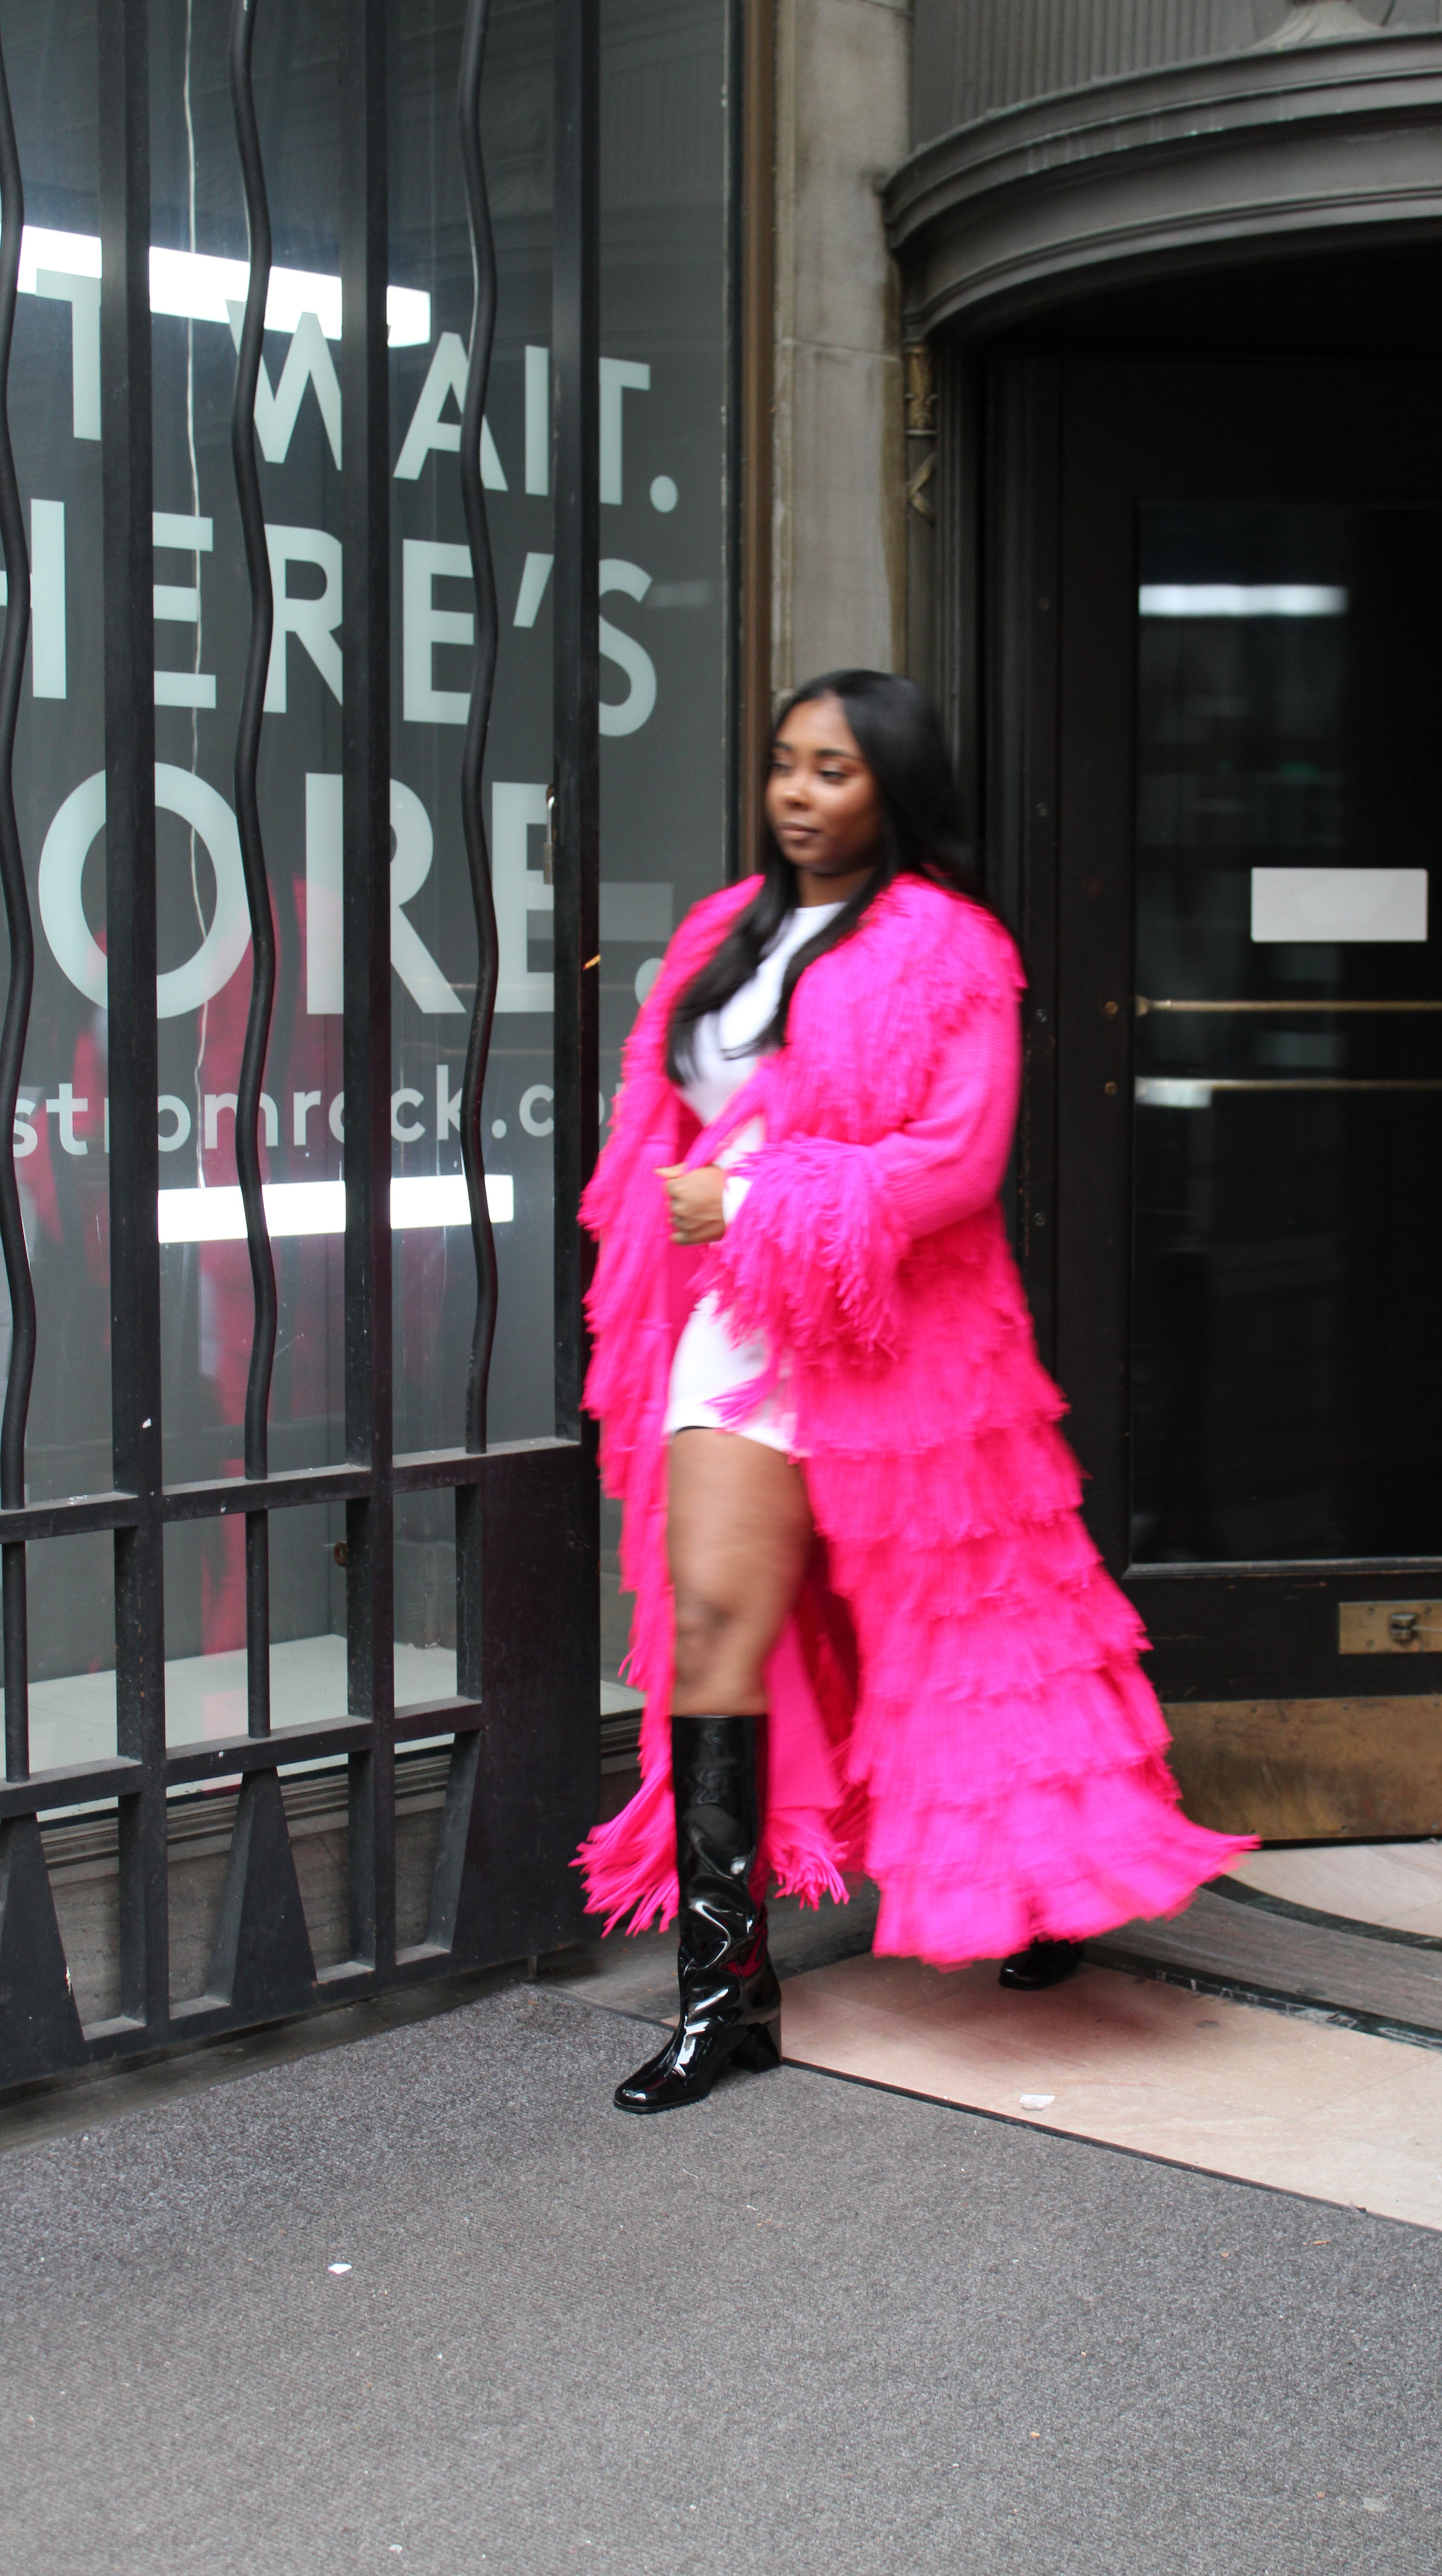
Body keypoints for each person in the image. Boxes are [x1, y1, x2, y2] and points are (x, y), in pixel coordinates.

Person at [578, 670, 1254, 2114]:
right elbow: (670, 1118)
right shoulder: (722, 933)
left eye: (832, 769)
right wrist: (709, 1217)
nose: (798, 795)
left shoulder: (954, 947)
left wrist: (751, 1194)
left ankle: (1045, 1885)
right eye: (784, 765)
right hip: (738, 1333)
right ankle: (727, 1993)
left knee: (975, 1634)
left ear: (895, 788)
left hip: (904, 1346)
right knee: (714, 1624)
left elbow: (959, 1163)